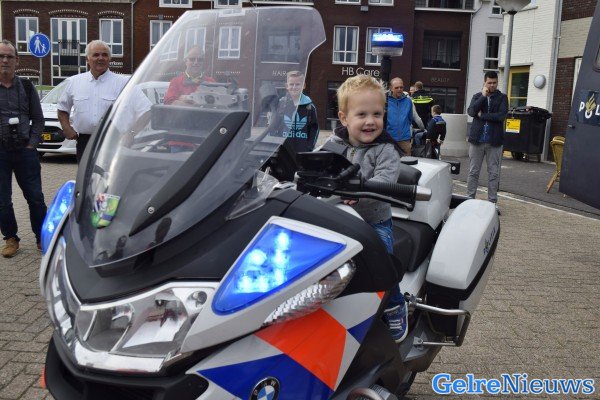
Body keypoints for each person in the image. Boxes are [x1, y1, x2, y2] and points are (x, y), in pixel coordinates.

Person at [325, 74, 408, 342]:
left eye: (377, 114)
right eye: (361, 114)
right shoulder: (333, 144)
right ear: (344, 118)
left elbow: (385, 180)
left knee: (382, 259)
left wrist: (360, 192)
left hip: (374, 222)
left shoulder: (386, 150)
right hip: (337, 218)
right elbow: (316, 166)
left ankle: (395, 304)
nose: (370, 121)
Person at [0, 40, 47, 257]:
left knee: (35, 197)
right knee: (2, 200)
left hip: (25, 151)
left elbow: (38, 119)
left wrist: (31, 145)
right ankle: (11, 238)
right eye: (1, 56)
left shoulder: (27, 87)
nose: (5, 60)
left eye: (9, 56)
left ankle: (41, 237)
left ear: (17, 61)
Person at [57, 40, 129, 163]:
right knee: (85, 175)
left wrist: (131, 134)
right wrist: (66, 128)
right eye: (96, 55)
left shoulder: (123, 83)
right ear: (87, 59)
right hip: (84, 142)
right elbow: (62, 109)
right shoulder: (74, 82)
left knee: (109, 175)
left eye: (105, 55)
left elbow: (145, 110)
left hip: (113, 142)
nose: (100, 58)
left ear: (109, 59)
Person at [466, 71, 508, 215]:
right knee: (473, 171)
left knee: (493, 173)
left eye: (494, 83)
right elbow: (471, 112)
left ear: (497, 83)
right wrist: (483, 97)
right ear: (484, 82)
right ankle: (469, 200)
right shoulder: (477, 96)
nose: (492, 85)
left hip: (494, 141)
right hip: (476, 141)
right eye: (489, 83)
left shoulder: (502, 98)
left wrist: (483, 115)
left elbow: (501, 116)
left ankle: (492, 202)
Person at [270, 71, 319, 154]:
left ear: (304, 86)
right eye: (291, 84)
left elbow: (314, 129)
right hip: (284, 151)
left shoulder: (309, 106)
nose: (294, 87)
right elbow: (274, 126)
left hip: (302, 151)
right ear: (286, 86)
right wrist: (274, 145)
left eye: (297, 84)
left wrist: (309, 147)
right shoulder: (281, 104)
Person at [386, 77, 424, 156]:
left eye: (401, 87)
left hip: (404, 139)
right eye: (396, 88)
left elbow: (410, 118)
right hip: (389, 138)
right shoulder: (385, 101)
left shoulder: (408, 101)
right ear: (391, 88)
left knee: (406, 162)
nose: (399, 89)